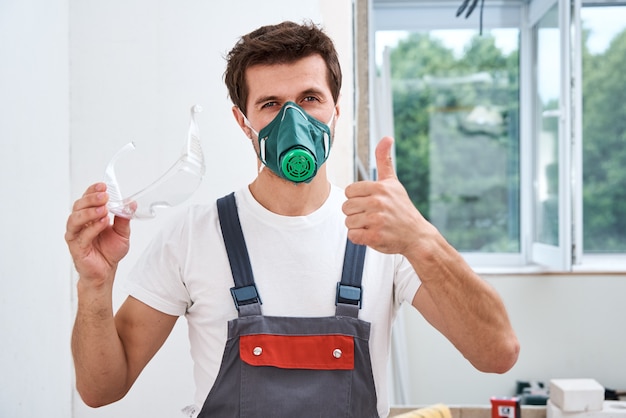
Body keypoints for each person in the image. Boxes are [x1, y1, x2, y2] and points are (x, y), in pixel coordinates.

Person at [65, 20, 519, 418]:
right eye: (271, 105)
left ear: (335, 110)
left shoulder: (384, 235)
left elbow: (497, 353)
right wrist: (94, 287)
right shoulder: (192, 235)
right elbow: (101, 390)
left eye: (309, 98)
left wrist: (421, 238)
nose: (294, 121)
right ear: (244, 123)